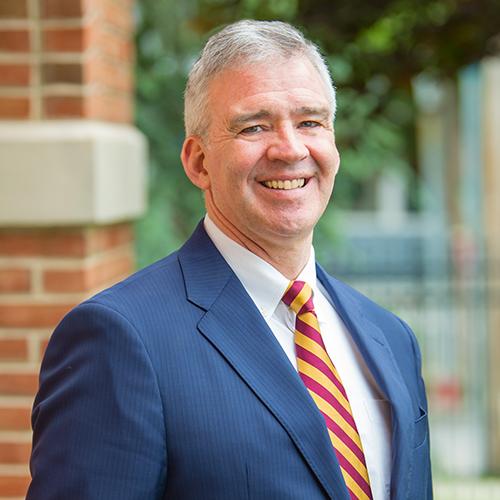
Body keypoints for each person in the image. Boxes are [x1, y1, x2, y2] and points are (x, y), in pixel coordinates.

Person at [27, 20, 432, 500]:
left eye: (310, 122)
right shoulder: (120, 340)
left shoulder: (390, 338)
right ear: (198, 162)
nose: (290, 148)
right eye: (254, 126)